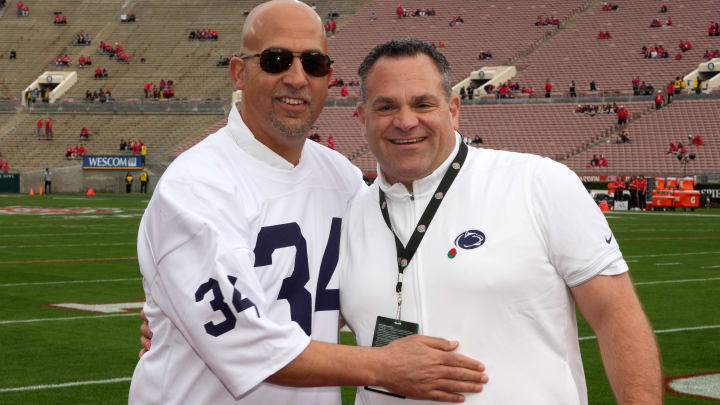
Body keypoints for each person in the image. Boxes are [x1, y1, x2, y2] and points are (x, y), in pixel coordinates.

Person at [130, 3, 487, 404]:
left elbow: (384, 283)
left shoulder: (344, 179)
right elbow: (246, 340)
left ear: (328, 77)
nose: (297, 78)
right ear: (239, 72)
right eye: (276, 60)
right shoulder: (196, 185)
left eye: (314, 63)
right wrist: (383, 365)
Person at [340, 38, 661, 404]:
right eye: (386, 107)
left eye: (422, 103)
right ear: (362, 116)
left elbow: (615, 313)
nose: (405, 121)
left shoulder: (537, 182)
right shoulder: (350, 215)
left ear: (454, 109)